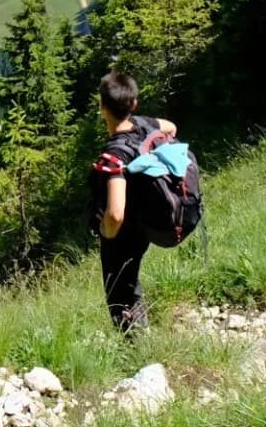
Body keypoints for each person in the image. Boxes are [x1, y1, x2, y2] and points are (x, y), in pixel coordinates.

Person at [89, 72, 175, 335]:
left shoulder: (114, 155)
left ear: (102, 107)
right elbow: (170, 127)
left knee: (122, 290)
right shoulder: (143, 124)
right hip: (146, 217)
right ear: (134, 104)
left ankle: (136, 346)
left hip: (125, 231)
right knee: (132, 281)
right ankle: (141, 336)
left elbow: (115, 213)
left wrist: (107, 232)